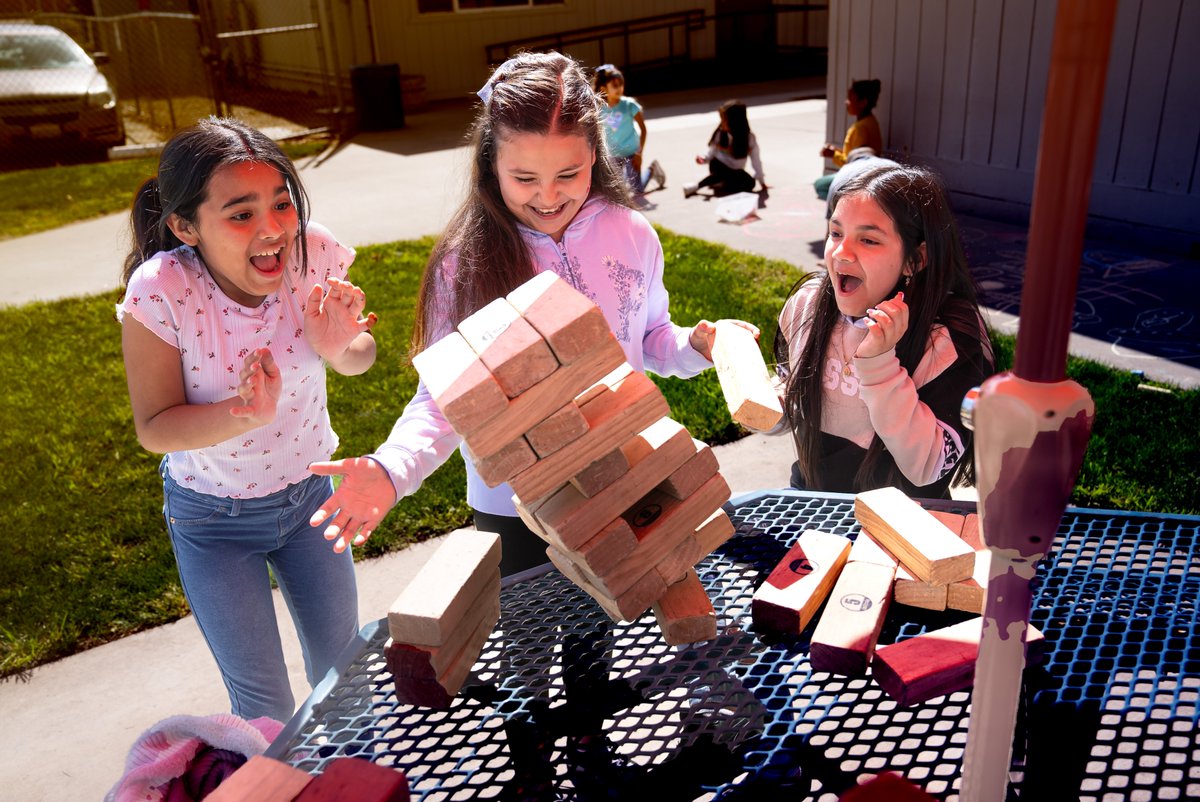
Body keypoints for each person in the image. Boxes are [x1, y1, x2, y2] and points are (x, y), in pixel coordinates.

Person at [308, 51, 755, 576]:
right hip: (516, 507)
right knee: (530, 649)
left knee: (603, 639)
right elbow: (445, 401)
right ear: (491, 163)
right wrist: (391, 469)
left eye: (569, 172)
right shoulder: (463, 263)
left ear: (596, 153)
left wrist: (696, 345)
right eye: (524, 178)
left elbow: (649, 336)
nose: (548, 196)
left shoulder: (633, 234)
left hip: (625, 474)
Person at [117, 117, 378, 723]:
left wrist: (340, 344)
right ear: (185, 227)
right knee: (264, 709)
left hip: (312, 497)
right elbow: (154, 427)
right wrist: (241, 416)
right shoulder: (162, 289)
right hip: (214, 523)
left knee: (345, 680)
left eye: (282, 203)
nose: (273, 229)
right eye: (240, 214)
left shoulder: (311, 253)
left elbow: (359, 359)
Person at [773, 164, 993, 499]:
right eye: (835, 233)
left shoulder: (948, 340)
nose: (841, 253)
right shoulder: (808, 307)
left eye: (869, 239)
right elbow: (790, 405)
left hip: (907, 520)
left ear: (914, 260)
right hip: (812, 501)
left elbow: (925, 467)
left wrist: (879, 365)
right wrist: (755, 399)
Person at [593, 63, 665, 196]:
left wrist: (639, 154)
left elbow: (643, 129)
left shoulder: (629, 105)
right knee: (616, 190)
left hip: (632, 153)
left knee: (637, 191)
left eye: (621, 84)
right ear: (604, 89)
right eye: (614, 85)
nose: (619, 88)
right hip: (613, 155)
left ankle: (652, 170)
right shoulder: (599, 109)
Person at [814, 78, 884, 201]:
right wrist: (838, 151)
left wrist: (833, 154)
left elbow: (856, 163)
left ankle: (848, 202)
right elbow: (854, 154)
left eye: (851, 99)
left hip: (859, 176)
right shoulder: (870, 121)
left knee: (820, 185)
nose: (846, 102)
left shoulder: (861, 128)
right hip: (865, 173)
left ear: (863, 103)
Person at [682, 99, 767, 198]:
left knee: (750, 183)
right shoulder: (720, 133)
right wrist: (704, 159)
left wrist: (761, 181)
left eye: (725, 120)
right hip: (718, 166)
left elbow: (756, 160)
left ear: (736, 121)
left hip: (735, 171)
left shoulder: (748, 138)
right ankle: (697, 186)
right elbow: (711, 151)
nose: (722, 123)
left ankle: (721, 183)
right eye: (721, 119)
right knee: (724, 172)